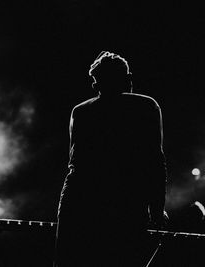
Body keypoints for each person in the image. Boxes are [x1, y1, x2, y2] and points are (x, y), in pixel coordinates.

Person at [55, 51, 168, 266]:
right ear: (127, 79)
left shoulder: (80, 111)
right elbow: (155, 160)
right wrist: (156, 207)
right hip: (125, 201)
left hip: (79, 200)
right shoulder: (146, 106)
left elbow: (76, 163)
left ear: (97, 85)